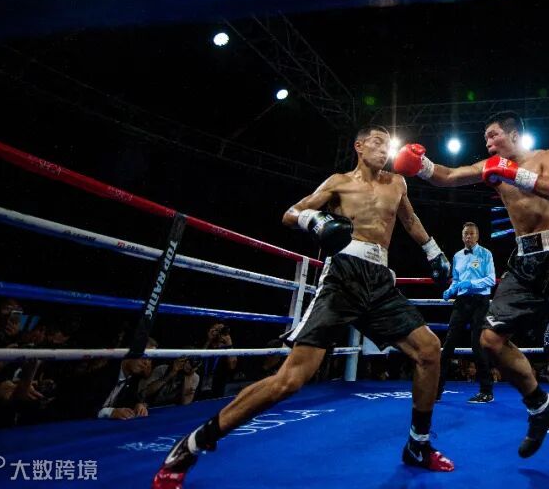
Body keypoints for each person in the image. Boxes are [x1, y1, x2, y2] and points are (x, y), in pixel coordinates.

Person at [153, 125, 455, 489]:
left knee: (429, 350)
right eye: (377, 142)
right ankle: (192, 444)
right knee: (291, 380)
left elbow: (409, 220)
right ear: (359, 147)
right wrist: (316, 220)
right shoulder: (338, 182)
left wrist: (434, 251)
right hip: (343, 276)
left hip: (380, 280)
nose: (383, 149)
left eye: (387, 144)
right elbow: (291, 212)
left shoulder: (398, 184)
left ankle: (418, 445)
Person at [395, 110, 549, 488]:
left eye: (493, 135)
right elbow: (449, 176)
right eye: (485, 138)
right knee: (489, 340)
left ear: (514, 134)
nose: (488, 143)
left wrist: (513, 173)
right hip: (523, 259)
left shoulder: (546, 157)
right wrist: (420, 166)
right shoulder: (490, 166)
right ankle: (540, 405)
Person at [437, 221, 496, 403]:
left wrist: (471, 284)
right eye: (466, 234)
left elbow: (491, 279)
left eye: (471, 233)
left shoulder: (486, 254)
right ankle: (436, 390)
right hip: (462, 301)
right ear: (462, 237)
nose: (468, 236)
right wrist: (450, 290)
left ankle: (486, 391)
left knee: (478, 345)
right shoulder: (457, 256)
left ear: (477, 236)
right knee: (448, 344)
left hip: (480, 301)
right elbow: (456, 280)